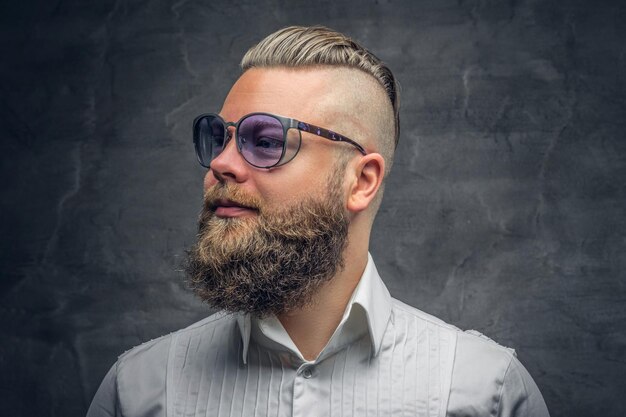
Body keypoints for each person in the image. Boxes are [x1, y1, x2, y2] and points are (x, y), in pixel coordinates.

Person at [87, 26, 550, 417]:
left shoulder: (483, 392)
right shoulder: (140, 392)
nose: (221, 165)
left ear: (361, 180)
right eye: (219, 138)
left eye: (265, 141)